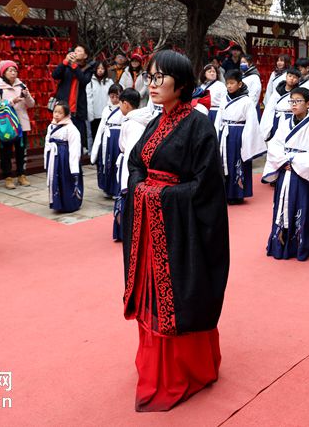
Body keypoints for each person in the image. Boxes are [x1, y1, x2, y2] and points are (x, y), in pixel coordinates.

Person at [122, 49, 228, 412]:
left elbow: (207, 187)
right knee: (151, 294)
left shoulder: (199, 125)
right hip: (152, 228)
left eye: (159, 77)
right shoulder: (156, 122)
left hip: (180, 232)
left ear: (180, 84)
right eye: (149, 77)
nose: (151, 84)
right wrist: (142, 188)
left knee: (180, 295)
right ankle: (154, 365)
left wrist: (161, 196)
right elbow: (136, 162)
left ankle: (183, 369)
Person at [262, 86, 309, 260]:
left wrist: (293, 161)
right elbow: (275, 145)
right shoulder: (285, 124)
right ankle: (281, 243)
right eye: (292, 101)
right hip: (286, 171)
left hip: (302, 175)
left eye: (298, 101)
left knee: (304, 208)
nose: (294, 104)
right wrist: (284, 161)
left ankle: (302, 244)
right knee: (282, 207)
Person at [214, 70, 266, 204]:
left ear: (240, 84)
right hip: (224, 133)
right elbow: (219, 117)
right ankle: (225, 192)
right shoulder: (224, 98)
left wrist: (246, 141)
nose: (229, 86)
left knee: (236, 162)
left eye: (232, 83)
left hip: (238, 134)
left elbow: (252, 122)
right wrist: (216, 133)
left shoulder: (247, 101)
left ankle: (237, 194)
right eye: (227, 83)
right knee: (224, 163)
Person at [112, 88, 150, 241]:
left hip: (130, 167)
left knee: (128, 199)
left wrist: (126, 178)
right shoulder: (139, 120)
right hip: (136, 165)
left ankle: (128, 231)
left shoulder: (132, 124)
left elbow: (129, 151)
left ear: (126, 104)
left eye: (120, 103)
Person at [0, 60, 35, 190]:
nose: (13, 73)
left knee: (21, 151)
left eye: (15, 70)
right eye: (10, 70)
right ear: (3, 72)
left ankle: (21, 175)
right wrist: (12, 101)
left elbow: (31, 104)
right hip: (7, 126)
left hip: (21, 124)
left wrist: (27, 96)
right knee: (6, 152)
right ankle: (8, 177)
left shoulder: (22, 85)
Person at [51, 44, 95, 153]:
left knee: (76, 138)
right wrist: (65, 62)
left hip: (77, 108)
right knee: (62, 136)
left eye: (79, 51)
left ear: (85, 56)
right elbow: (55, 75)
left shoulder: (89, 68)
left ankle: (77, 160)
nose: (76, 52)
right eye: (75, 50)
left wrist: (74, 65)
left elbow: (84, 80)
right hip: (63, 106)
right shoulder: (67, 66)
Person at [45, 101, 83, 213]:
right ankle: (57, 203)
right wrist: (46, 158)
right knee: (55, 180)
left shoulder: (71, 128)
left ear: (66, 114)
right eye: (55, 112)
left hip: (65, 158)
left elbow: (74, 148)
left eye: (60, 113)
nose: (56, 114)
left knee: (66, 180)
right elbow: (47, 142)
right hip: (54, 157)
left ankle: (69, 204)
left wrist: (74, 168)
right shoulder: (51, 126)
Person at [90, 91, 124, 199]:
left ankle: (116, 189)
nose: (114, 99)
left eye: (117, 96)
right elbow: (101, 125)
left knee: (115, 162)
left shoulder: (123, 108)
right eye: (112, 96)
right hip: (107, 137)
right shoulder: (106, 109)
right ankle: (107, 188)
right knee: (106, 162)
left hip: (117, 137)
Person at [259, 67, 300, 141]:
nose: (291, 79)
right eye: (290, 76)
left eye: (295, 77)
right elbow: (270, 107)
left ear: (298, 80)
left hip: (290, 119)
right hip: (277, 119)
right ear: (286, 76)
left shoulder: (298, 93)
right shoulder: (277, 91)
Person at [87, 62, 114, 143]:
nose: (100, 70)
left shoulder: (109, 82)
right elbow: (89, 98)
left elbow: (111, 97)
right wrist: (90, 114)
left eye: (102, 68)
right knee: (95, 136)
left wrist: (110, 111)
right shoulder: (90, 81)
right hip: (95, 115)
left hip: (106, 114)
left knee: (105, 136)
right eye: (98, 68)